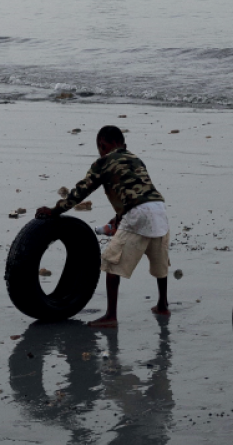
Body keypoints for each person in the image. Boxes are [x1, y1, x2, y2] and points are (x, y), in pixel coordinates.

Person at [36, 125, 170, 328]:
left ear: (103, 145)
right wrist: (119, 218)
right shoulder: (135, 159)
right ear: (123, 145)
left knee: (110, 263)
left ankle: (111, 316)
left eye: (100, 148)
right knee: (160, 263)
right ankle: (162, 305)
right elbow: (134, 190)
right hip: (160, 209)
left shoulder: (104, 161)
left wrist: (55, 211)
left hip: (138, 213)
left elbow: (82, 191)